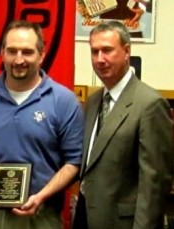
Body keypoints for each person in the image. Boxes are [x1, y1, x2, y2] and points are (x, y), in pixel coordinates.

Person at [0, 20, 84, 229]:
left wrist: (42, 195)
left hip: (41, 215)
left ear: (42, 55)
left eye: (27, 52)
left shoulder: (64, 101)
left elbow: (74, 162)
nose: (19, 60)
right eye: (12, 51)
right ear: (2, 54)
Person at [72, 21, 173, 229]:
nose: (100, 59)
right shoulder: (92, 102)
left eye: (107, 50)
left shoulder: (150, 104)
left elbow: (154, 184)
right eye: (94, 51)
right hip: (85, 218)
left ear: (126, 51)